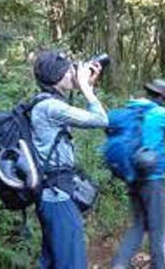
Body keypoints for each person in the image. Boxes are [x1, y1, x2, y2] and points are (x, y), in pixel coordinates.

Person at [31, 49, 109, 268]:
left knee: (52, 261)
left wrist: (86, 85)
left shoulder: (45, 103)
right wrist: (86, 88)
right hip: (57, 196)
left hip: (51, 194)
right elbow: (101, 120)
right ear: (56, 78)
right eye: (69, 71)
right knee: (71, 263)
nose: (74, 74)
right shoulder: (50, 107)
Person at [112, 79, 165, 269]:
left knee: (137, 225)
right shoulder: (159, 113)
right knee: (157, 229)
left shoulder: (130, 111)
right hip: (152, 180)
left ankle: (118, 265)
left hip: (131, 177)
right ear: (161, 97)